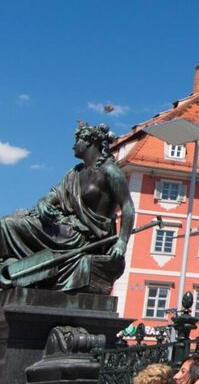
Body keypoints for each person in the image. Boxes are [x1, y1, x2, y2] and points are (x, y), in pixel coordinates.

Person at [0, 122, 134, 294]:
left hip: (84, 236)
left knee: (7, 225)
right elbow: (55, 194)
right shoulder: (75, 172)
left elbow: (128, 206)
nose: (73, 146)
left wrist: (122, 242)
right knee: (6, 225)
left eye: (77, 140)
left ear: (90, 142)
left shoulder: (109, 171)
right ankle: (10, 270)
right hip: (65, 228)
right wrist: (43, 202)